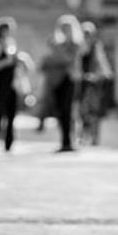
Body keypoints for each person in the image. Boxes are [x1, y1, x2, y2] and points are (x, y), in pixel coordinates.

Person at [0, 17, 32, 153]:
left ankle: (9, 143)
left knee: (11, 114)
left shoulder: (11, 43)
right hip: (0, 83)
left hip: (12, 83)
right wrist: (7, 62)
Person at [48, 14, 83, 152]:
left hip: (70, 79)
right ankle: (64, 141)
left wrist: (56, 50)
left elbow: (67, 59)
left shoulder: (75, 44)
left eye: (67, 28)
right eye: (62, 28)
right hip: (57, 80)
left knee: (68, 111)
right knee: (59, 112)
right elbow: (50, 60)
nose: (65, 31)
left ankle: (69, 142)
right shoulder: (58, 44)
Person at [77, 21, 112, 146]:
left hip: (94, 83)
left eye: (88, 33)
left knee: (94, 112)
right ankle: (82, 135)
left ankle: (94, 137)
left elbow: (101, 61)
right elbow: (75, 64)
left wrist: (103, 74)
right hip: (80, 83)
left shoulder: (96, 46)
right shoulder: (78, 47)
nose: (86, 36)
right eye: (84, 33)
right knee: (82, 112)